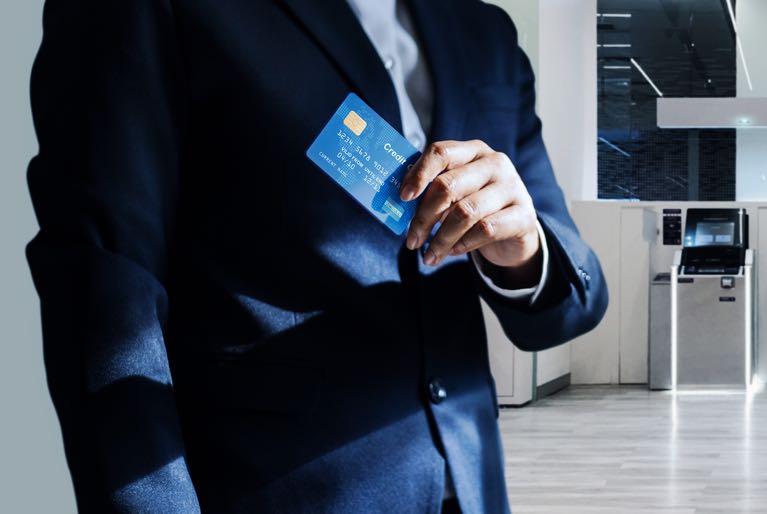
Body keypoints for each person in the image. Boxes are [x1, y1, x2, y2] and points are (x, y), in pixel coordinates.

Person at [25, 0, 608, 512]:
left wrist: (525, 251)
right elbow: (102, 292)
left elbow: (573, 304)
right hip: (273, 492)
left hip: (471, 484)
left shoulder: (485, 32)